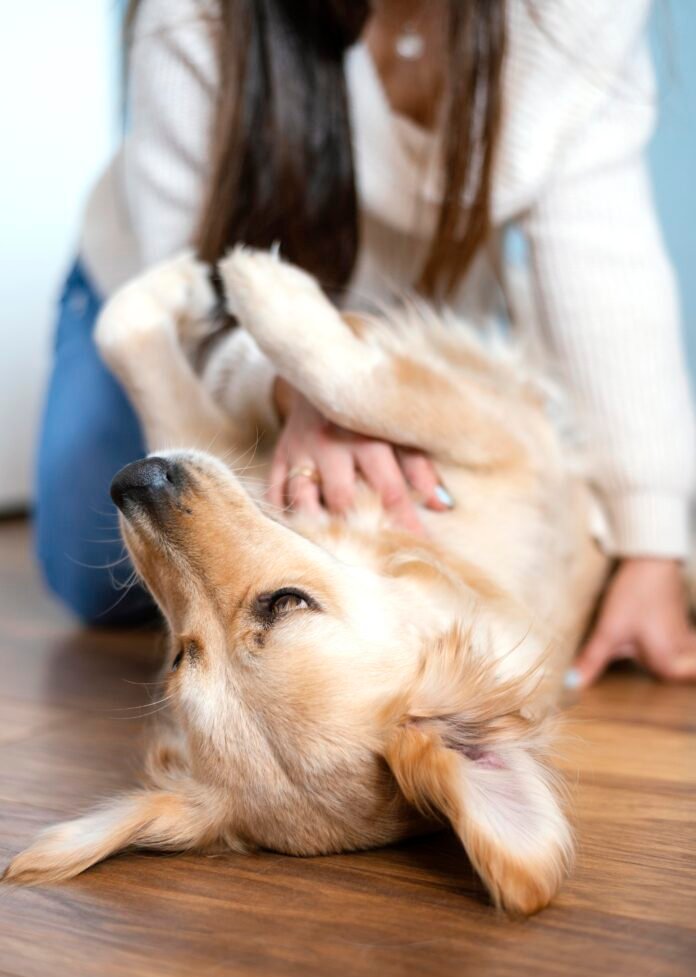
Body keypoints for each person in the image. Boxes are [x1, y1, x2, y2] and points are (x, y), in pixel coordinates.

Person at [36, 0, 696, 687]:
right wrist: (306, 382)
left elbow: (605, 267)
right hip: (177, 290)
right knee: (94, 584)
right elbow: (195, 291)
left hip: (414, 295)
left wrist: (652, 547)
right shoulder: (192, 16)